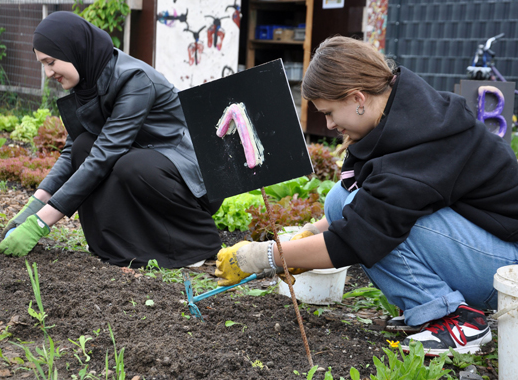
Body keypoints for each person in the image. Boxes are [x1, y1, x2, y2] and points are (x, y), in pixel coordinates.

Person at [215, 36, 518, 356]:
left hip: (505, 272)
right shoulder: (405, 114)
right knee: (338, 200)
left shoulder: (419, 145)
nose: (330, 125)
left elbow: (360, 236)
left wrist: (262, 257)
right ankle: (430, 308)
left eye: (330, 112)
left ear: (358, 98)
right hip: (484, 251)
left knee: (377, 228)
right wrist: (310, 235)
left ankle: (456, 319)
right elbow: (357, 209)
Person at [0, 11, 223, 268]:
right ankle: (120, 248)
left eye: (51, 62)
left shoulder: (134, 80)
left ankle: (194, 246)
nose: (48, 73)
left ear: (74, 51)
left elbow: (106, 154)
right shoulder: (86, 82)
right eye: (43, 64)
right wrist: (31, 209)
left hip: (190, 176)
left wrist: (40, 223)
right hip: (148, 161)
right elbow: (72, 152)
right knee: (83, 146)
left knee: (130, 165)